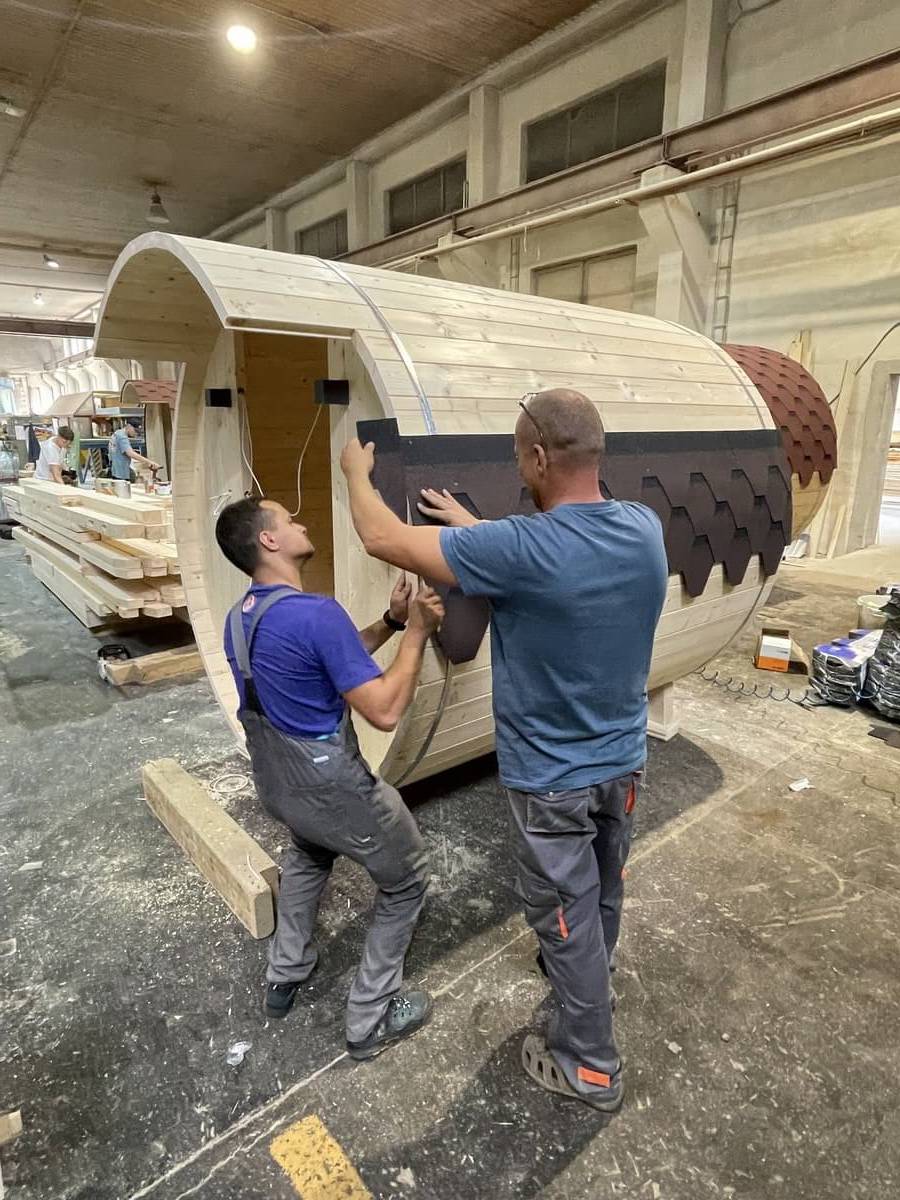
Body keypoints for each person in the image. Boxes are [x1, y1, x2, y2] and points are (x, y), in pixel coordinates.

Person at [339, 388, 668, 1111]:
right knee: (601, 892)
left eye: (520, 456)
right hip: (622, 764)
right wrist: (474, 532)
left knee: (562, 914)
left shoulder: (520, 549)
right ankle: (587, 982)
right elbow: (554, 550)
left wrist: (355, 473)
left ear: (540, 457)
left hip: (553, 781)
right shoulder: (641, 527)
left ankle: (590, 1065)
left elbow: (381, 538)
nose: (518, 467)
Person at [215, 495, 444, 1062]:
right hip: (333, 789)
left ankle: (286, 973)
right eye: (289, 520)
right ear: (269, 540)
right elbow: (384, 710)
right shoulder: (316, 613)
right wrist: (417, 632)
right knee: (407, 879)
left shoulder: (241, 618)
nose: (301, 522)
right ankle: (370, 1017)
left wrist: (390, 622)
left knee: (309, 852)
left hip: (278, 784)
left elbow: (322, 661)